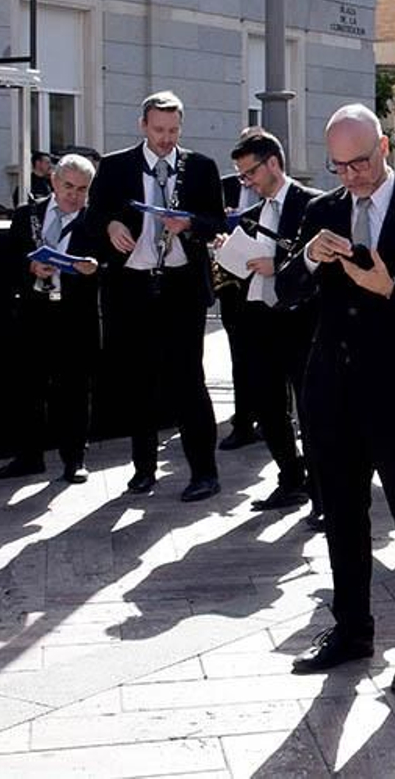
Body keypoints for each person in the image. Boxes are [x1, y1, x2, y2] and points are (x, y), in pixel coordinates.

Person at [277, 104, 395, 693]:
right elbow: (284, 291)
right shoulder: (321, 209)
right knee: (341, 517)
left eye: (360, 162)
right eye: (339, 167)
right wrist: (309, 257)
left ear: (384, 147)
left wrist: (393, 288)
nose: (352, 176)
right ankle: (352, 630)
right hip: (331, 390)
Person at [87, 91, 227, 501]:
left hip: (181, 285)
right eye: (159, 129)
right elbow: (93, 219)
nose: (166, 138)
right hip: (132, 286)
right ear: (143, 126)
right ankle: (143, 470)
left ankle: (204, 472)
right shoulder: (114, 167)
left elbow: (216, 221)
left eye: (173, 130)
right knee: (139, 382)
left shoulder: (200, 167)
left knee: (189, 380)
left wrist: (191, 224)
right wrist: (112, 226)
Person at [0, 154, 101, 484]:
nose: (74, 195)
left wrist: (92, 268)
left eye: (82, 190)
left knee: (74, 390)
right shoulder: (28, 214)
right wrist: (30, 267)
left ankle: (74, 460)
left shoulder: (96, 219)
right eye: (68, 186)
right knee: (28, 387)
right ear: (53, 181)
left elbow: (108, 263)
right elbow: (8, 260)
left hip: (75, 315)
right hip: (34, 311)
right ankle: (29, 456)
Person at [229, 130, 322, 513]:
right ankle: (291, 477)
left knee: (312, 409)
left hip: (303, 321)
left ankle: (321, 490)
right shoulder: (253, 212)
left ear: (272, 163)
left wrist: (278, 266)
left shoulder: (314, 204)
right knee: (266, 405)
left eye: (249, 172)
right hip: (260, 318)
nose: (246, 181)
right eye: (241, 176)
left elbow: (320, 262)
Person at [217, 128, 268, 452]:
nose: (248, 177)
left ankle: (274, 418)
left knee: (270, 357)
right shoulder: (224, 186)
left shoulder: (277, 190)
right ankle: (243, 420)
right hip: (233, 284)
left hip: (265, 284)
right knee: (239, 356)